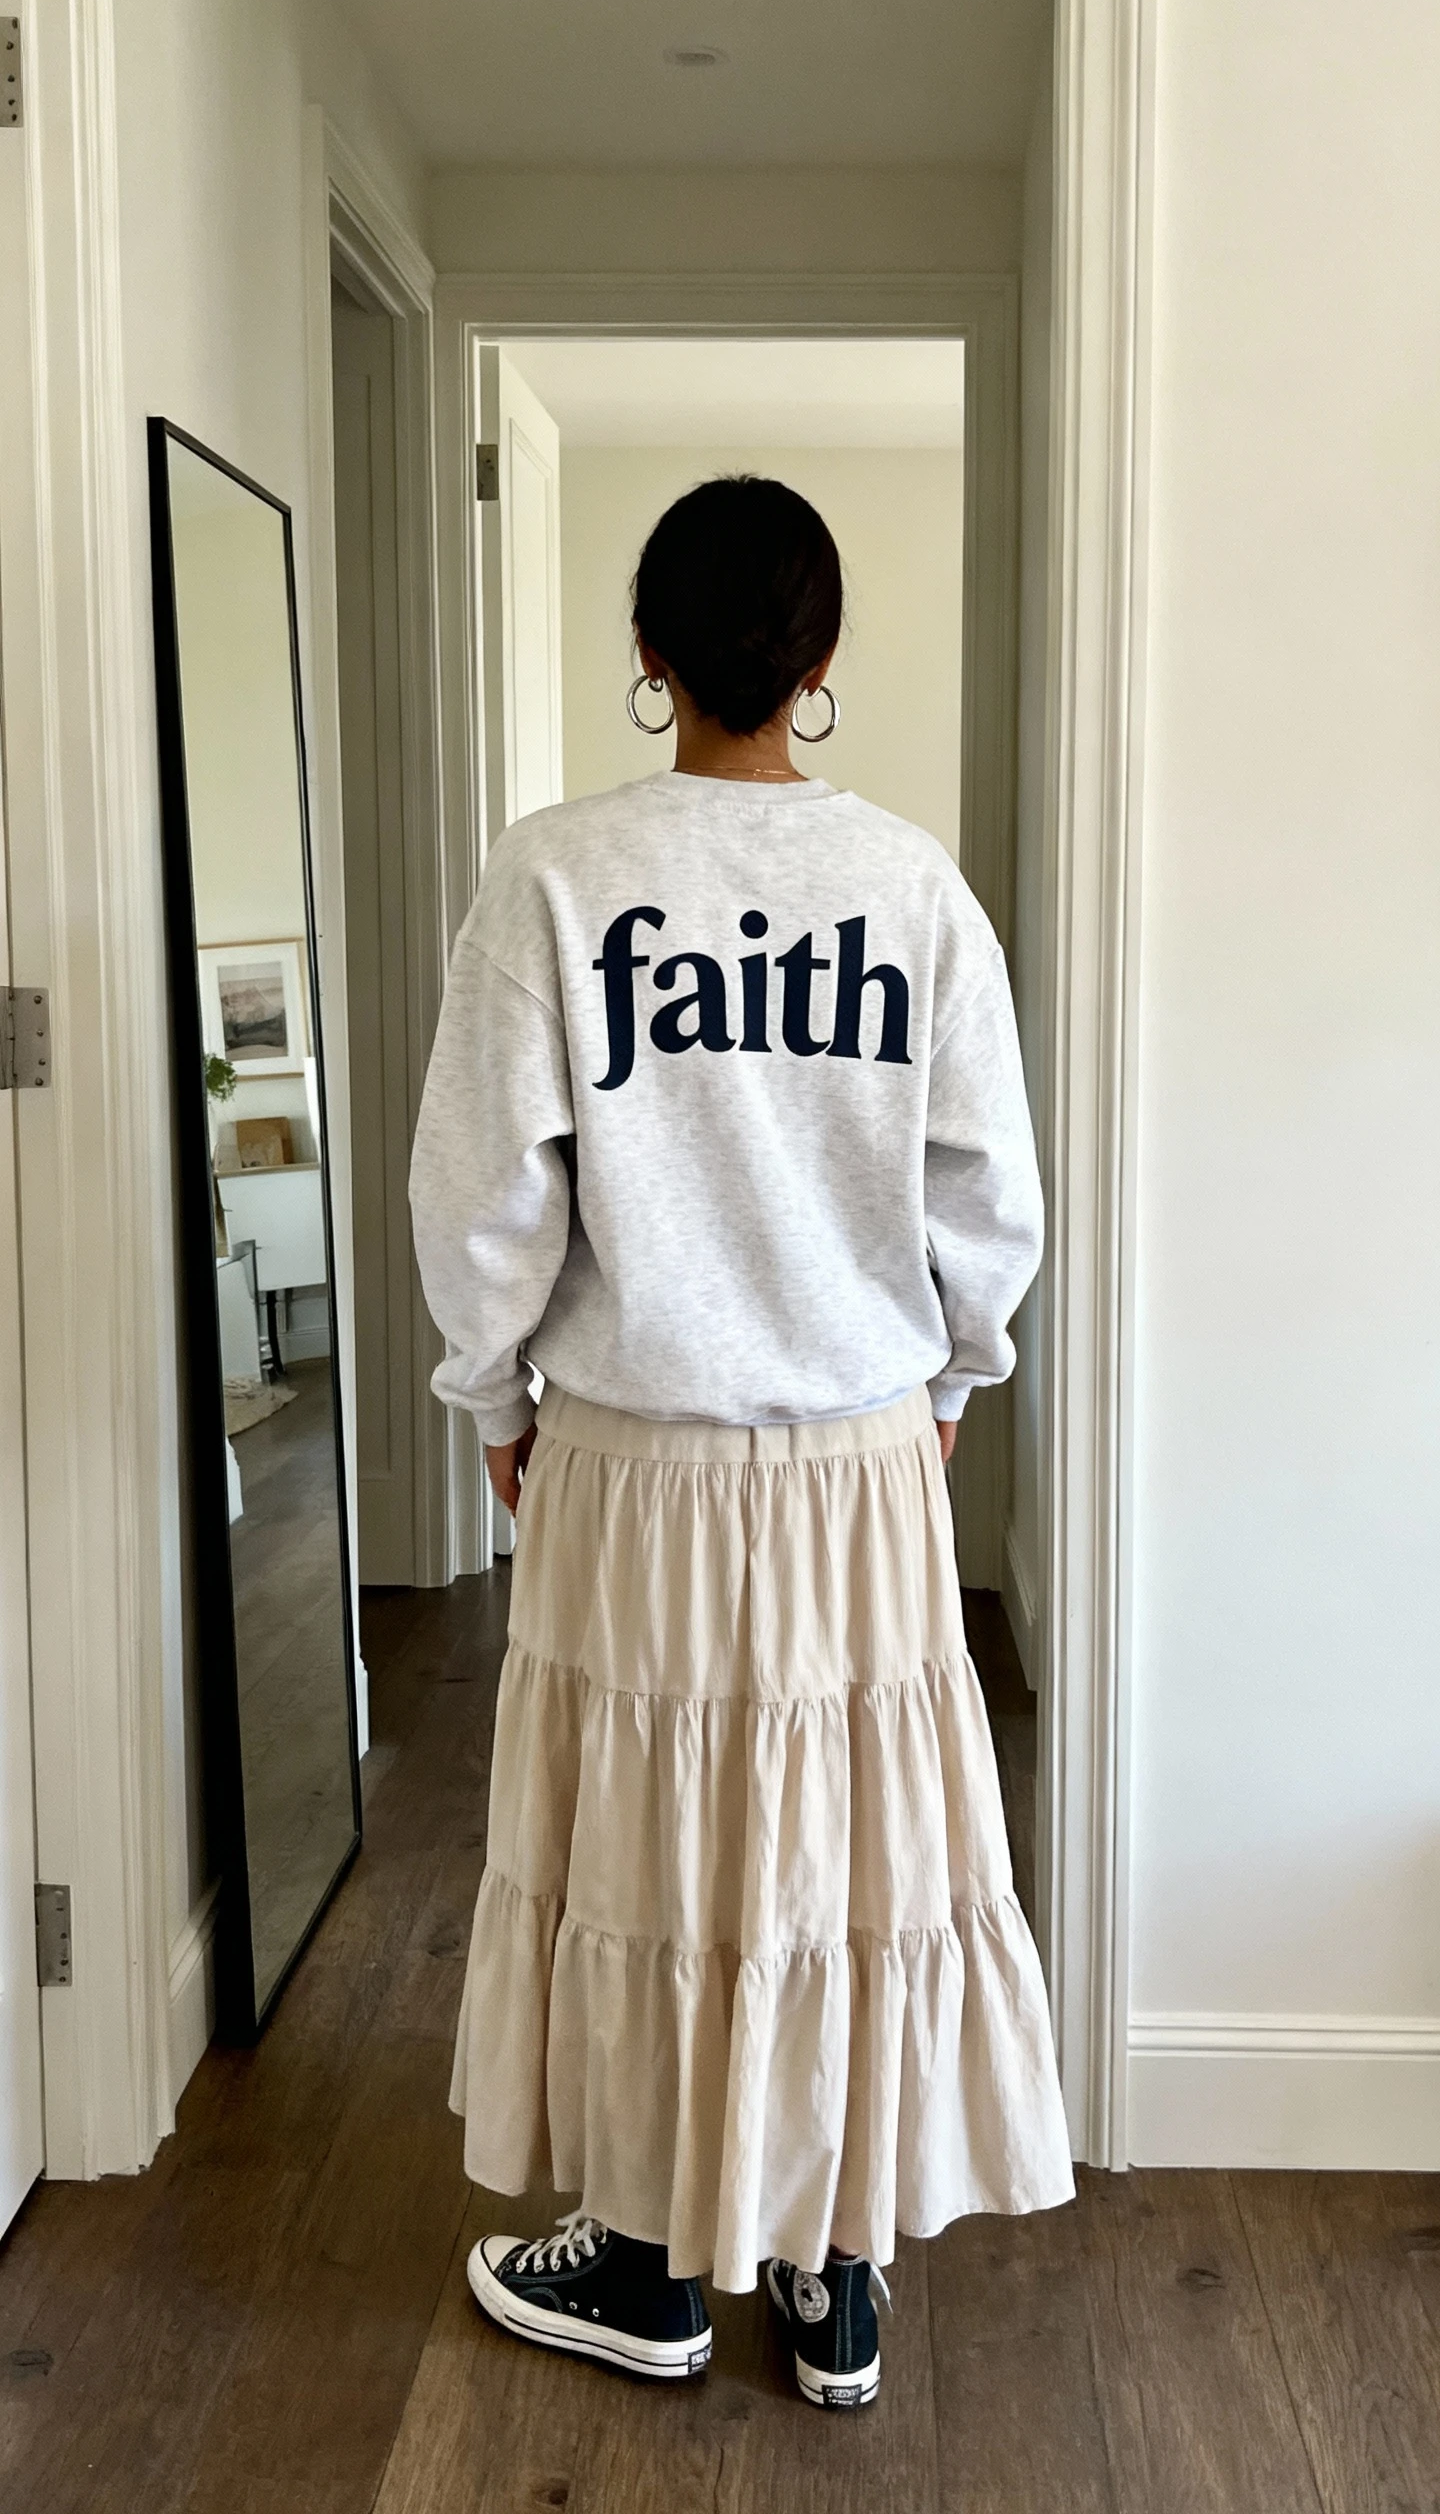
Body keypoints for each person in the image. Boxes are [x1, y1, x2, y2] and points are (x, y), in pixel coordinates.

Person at [409, 474, 1073, 2411]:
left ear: (648, 651)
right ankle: (831, 2258)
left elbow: (483, 1201)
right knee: (846, 1841)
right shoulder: (912, 884)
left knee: (643, 1836)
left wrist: (489, 1390)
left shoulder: (553, 874)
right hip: (864, 1448)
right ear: (824, 657)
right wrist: (955, 1375)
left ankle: (645, 2255)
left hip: (636, 1441)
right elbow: (985, 1191)